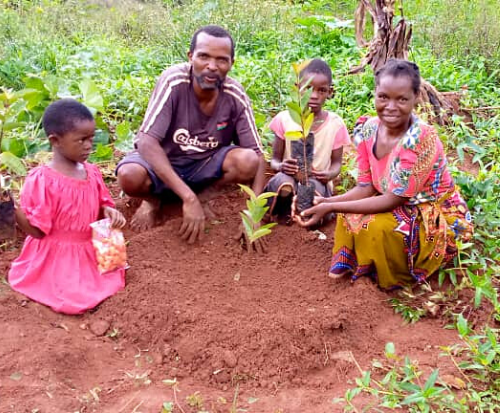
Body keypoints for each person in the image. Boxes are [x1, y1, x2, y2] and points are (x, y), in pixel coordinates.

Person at [295, 59, 473, 289]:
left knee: (376, 227)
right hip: (392, 200)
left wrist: (331, 206)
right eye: (383, 97)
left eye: (401, 99)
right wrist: (327, 201)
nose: (391, 107)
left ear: (415, 98)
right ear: (375, 94)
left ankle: (389, 277)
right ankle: (359, 267)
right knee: (348, 217)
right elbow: (365, 186)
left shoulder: (420, 138)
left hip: (428, 210)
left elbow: (394, 199)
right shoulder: (368, 129)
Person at [116, 25, 266, 244]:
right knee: (129, 175)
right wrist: (188, 197)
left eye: (221, 60)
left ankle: (206, 196)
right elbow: (147, 141)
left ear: (231, 64)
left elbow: (258, 156)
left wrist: (255, 213)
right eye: (203, 56)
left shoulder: (235, 95)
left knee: (247, 161)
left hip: (204, 166)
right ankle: (152, 201)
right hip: (165, 161)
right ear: (190, 57)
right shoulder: (174, 82)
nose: (212, 67)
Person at [8, 99, 126, 314]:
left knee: (109, 280)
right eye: (81, 140)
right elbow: (37, 231)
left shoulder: (92, 172)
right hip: (57, 256)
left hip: (89, 247)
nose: (89, 145)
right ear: (55, 140)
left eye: (91, 138)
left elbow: (101, 204)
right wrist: (12, 209)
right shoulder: (43, 180)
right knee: (72, 299)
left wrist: (110, 211)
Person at [265, 59, 350, 223]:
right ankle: (283, 211)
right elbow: (274, 160)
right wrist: (281, 166)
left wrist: (329, 174)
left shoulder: (335, 124)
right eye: (308, 89)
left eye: (322, 90)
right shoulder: (284, 119)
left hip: (316, 181)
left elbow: (337, 164)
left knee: (311, 192)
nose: (314, 96)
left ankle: (303, 215)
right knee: (283, 183)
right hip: (288, 178)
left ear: (330, 92)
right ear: (298, 88)